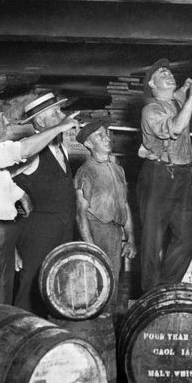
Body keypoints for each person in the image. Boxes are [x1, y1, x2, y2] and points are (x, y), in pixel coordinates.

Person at [0, 98, 78, 305]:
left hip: (0, 232)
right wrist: (61, 126)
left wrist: (20, 195)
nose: (7, 122)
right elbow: (22, 151)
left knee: (0, 300)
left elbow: (0, 185)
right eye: (1, 118)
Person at [136, 45, 192, 293]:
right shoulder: (151, 110)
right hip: (158, 174)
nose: (168, 75)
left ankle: (164, 288)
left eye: (169, 72)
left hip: (180, 174)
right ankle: (148, 293)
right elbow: (176, 128)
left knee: (185, 239)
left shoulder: (176, 100)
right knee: (152, 239)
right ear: (152, 86)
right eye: (161, 75)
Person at [12, 91, 79, 316]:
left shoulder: (61, 149)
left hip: (64, 228)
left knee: (56, 287)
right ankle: (23, 335)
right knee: (31, 287)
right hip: (39, 232)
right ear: (41, 121)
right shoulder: (30, 149)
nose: (63, 115)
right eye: (56, 113)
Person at [74, 121, 136, 316]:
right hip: (96, 230)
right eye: (99, 136)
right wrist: (91, 247)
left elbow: (124, 205)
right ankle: (96, 328)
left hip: (114, 232)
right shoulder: (87, 171)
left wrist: (131, 238)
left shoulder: (117, 169)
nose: (107, 138)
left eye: (106, 134)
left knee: (113, 286)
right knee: (97, 286)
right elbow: (80, 213)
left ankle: (108, 328)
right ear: (89, 144)